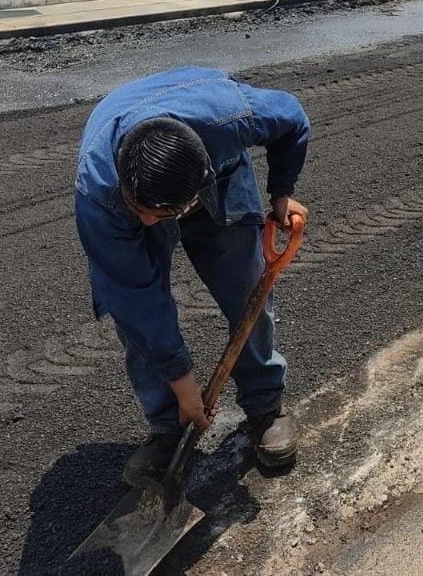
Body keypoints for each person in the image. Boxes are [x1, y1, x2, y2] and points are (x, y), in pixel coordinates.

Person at [74, 67, 311, 485]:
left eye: (161, 214)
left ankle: (265, 406)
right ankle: (168, 427)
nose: (148, 222)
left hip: (212, 163)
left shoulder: (231, 119)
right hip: (124, 177)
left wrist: (281, 192)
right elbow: (137, 301)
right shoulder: (100, 192)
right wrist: (182, 382)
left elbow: (292, 119)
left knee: (247, 291)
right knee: (134, 322)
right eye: (141, 208)